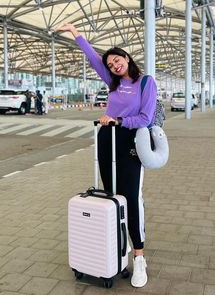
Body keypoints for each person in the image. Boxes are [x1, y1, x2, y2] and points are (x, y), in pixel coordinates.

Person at [55, 23, 157, 288]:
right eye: (110, 64)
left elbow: (145, 118)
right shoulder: (111, 81)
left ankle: (139, 257)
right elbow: (91, 57)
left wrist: (118, 120)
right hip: (106, 140)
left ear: (127, 58)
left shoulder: (145, 83)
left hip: (130, 141)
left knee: (131, 199)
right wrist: (75, 32)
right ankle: (118, 251)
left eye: (117, 60)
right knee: (112, 197)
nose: (114, 65)